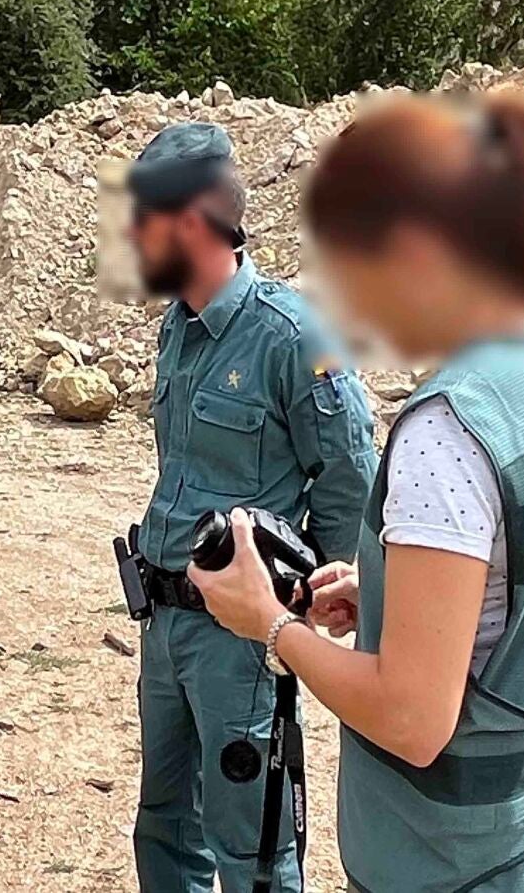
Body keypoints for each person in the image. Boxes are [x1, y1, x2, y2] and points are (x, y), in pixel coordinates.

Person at [191, 92, 524, 892]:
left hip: (456, 862)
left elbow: (411, 719)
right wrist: (392, 595)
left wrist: (271, 625)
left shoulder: (449, 432)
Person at [125, 122, 377, 893]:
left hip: (238, 641)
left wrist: (310, 597)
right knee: (164, 825)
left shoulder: (293, 337)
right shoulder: (180, 328)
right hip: (165, 622)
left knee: (252, 845)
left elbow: (349, 475)